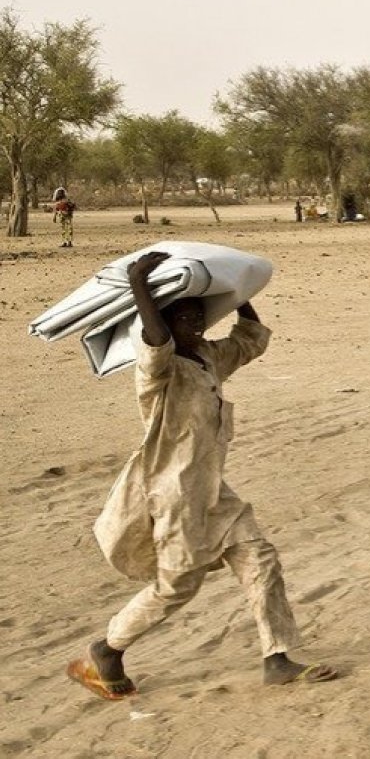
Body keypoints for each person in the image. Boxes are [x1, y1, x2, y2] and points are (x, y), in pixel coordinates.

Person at [66, 251, 337, 701]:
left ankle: (278, 659)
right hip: (171, 492)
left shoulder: (210, 357)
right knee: (177, 587)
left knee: (260, 559)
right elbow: (153, 339)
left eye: (198, 314)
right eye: (182, 316)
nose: (193, 321)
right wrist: (139, 284)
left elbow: (250, 339)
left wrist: (238, 291)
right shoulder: (158, 371)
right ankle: (108, 648)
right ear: (165, 323)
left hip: (214, 490)